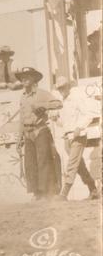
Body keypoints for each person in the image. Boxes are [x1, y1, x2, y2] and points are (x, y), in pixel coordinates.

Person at [16, 67, 63, 201]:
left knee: (43, 162)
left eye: (27, 76)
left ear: (34, 79)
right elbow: (21, 117)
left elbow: (58, 104)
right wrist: (19, 137)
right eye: (22, 77)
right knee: (30, 164)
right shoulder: (23, 97)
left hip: (40, 130)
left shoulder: (42, 94)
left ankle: (45, 193)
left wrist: (42, 105)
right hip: (27, 132)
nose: (24, 79)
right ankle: (36, 193)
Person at [53, 77, 101, 200]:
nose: (61, 90)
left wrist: (79, 127)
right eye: (59, 88)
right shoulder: (61, 103)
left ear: (69, 86)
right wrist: (56, 119)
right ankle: (93, 189)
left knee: (72, 164)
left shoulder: (76, 99)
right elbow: (63, 123)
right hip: (67, 137)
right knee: (79, 166)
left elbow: (89, 114)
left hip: (78, 137)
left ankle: (64, 194)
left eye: (63, 87)